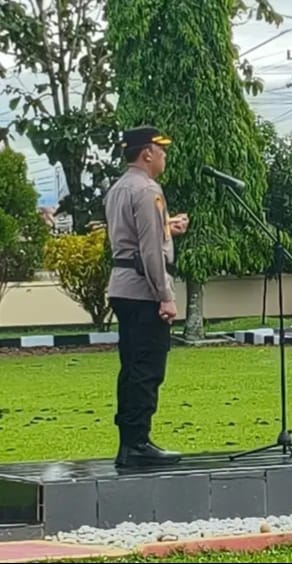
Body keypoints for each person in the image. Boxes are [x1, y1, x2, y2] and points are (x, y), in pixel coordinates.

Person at [104, 125, 187, 468]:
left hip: (122, 285)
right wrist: (165, 296)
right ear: (146, 153)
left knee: (131, 366)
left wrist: (166, 226)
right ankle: (137, 443)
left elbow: (131, 236)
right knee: (148, 368)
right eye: (160, 149)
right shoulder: (148, 189)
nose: (164, 155)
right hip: (143, 290)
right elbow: (151, 250)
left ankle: (129, 441)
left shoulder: (118, 188)